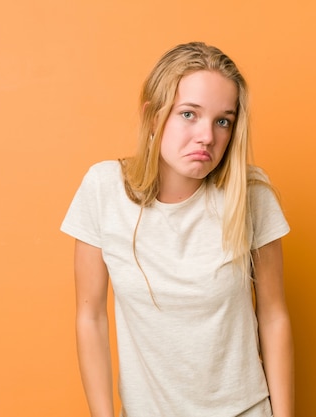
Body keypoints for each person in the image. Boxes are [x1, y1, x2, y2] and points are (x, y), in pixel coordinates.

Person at [61, 41, 294, 417]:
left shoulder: (249, 194)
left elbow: (273, 316)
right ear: (154, 116)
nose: (207, 136)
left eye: (223, 121)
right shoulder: (103, 189)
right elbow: (91, 318)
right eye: (189, 114)